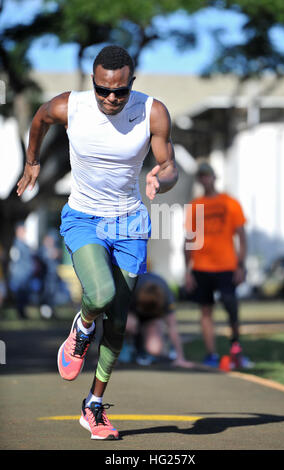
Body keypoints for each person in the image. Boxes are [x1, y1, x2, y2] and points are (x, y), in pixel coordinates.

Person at [16, 45, 178, 440]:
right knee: (101, 295)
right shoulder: (71, 106)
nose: (110, 98)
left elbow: (168, 163)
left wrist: (161, 178)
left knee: (120, 324)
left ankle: (93, 407)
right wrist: (32, 160)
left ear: (131, 84)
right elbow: (39, 118)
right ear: (93, 82)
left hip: (129, 223)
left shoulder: (152, 111)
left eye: (119, 91)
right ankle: (83, 327)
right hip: (85, 218)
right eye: (103, 89)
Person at [184, 162, 248, 368]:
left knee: (231, 308)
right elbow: (188, 239)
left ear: (214, 177)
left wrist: (241, 265)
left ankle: (236, 348)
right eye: (201, 176)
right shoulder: (195, 206)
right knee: (205, 311)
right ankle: (211, 354)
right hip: (201, 267)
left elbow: (242, 237)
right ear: (199, 180)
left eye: (207, 175)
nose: (205, 179)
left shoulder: (230, 203)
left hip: (226, 266)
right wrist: (187, 271)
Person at [119, 272, 196, 369]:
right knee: (128, 324)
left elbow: (173, 327)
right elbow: (112, 315)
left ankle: (148, 349)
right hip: (132, 314)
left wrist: (180, 358)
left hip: (152, 319)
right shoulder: (132, 287)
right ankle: (126, 346)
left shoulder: (166, 295)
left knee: (155, 349)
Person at [8, 222, 35, 319]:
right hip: (20, 275)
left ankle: (23, 313)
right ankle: (21, 314)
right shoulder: (17, 244)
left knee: (25, 295)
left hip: (25, 274)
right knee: (20, 295)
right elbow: (15, 259)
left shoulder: (24, 244)